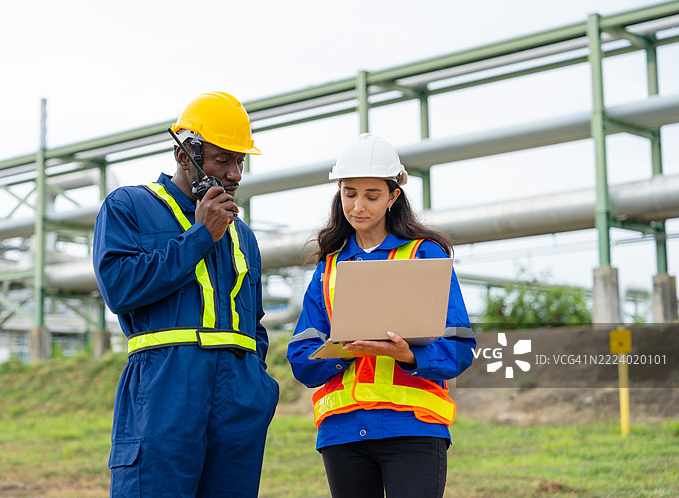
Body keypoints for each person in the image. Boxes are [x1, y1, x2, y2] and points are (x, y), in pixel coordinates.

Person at [93, 91, 280, 498]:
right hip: (166, 388)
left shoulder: (243, 234)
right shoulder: (128, 206)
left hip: (239, 396)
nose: (234, 174)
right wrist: (201, 236)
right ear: (184, 155)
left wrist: (257, 383)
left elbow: (256, 323)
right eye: (221, 160)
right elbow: (120, 288)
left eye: (239, 161)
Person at [286, 133, 476, 498]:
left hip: (413, 428)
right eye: (350, 194)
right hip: (342, 432)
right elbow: (301, 361)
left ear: (393, 196)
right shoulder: (328, 269)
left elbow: (459, 346)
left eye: (372, 195)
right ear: (339, 191)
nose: (359, 206)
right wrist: (344, 349)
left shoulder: (425, 255)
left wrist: (406, 354)